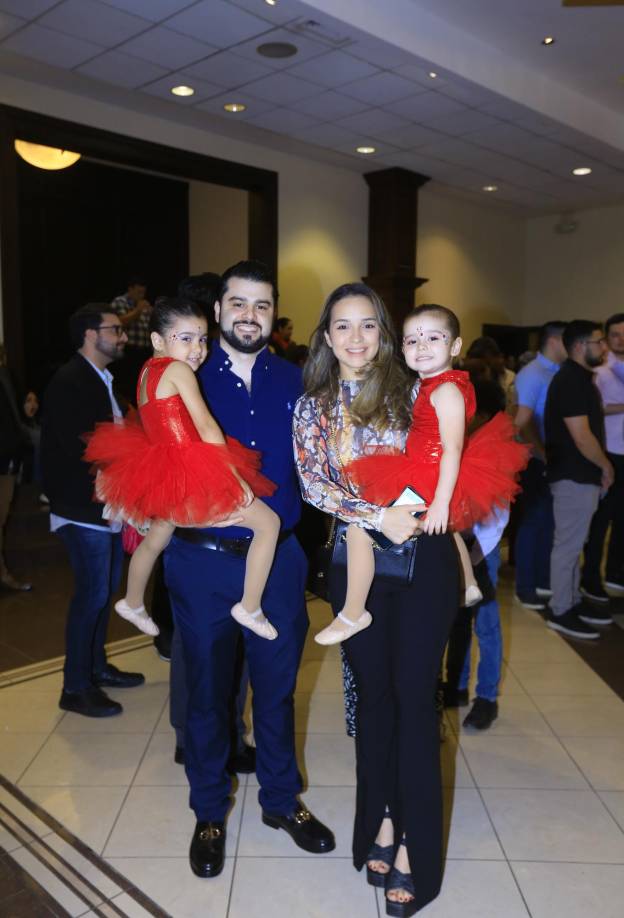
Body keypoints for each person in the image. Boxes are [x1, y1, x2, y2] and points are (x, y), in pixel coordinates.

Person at [165, 261, 334, 880]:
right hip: (201, 560)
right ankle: (209, 812)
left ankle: (281, 803)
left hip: (280, 558)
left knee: (278, 689)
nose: (249, 316)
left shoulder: (297, 379)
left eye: (262, 306)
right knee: (208, 696)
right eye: (238, 304)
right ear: (217, 310)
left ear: (273, 313)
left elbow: (321, 463)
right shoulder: (182, 377)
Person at [294, 283, 459, 917]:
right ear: (326, 335)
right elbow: (314, 484)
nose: (356, 338)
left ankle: (418, 845)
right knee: (374, 699)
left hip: (425, 559)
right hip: (353, 562)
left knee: (417, 701)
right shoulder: (312, 406)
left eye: (369, 326)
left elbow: (451, 452)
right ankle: (382, 821)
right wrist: (374, 513)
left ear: (385, 334)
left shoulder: (414, 387)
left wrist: (407, 513)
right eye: (343, 326)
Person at [322, 305, 527, 647]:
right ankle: (469, 582)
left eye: (434, 338)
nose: (422, 346)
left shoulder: (444, 390)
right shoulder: (436, 383)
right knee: (445, 532)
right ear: (402, 348)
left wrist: (442, 502)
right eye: (412, 340)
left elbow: (452, 448)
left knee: (361, 527)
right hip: (425, 467)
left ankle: (354, 611)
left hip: (429, 473)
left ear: (456, 346)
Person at [84, 297, 280, 641]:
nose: (197, 349)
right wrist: (231, 475)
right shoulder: (178, 370)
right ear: (159, 340)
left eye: (203, 339)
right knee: (269, 524)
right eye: (185, 338)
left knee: (156, 538)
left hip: (165, 466)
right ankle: (249, 606)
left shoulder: (147, 370)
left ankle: (132, 601)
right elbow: (205, 426)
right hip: (190, 465)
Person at [40, 305, 144, 718]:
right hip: (82, 507)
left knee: (103, 591)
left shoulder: (99, 378)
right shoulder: (69, 381)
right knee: (92, 594)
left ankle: (96, 667)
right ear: (89, 334)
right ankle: (76, 685)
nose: (121, 337)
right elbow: (78, 447)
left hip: (105, 506)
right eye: (114, 330)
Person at [544, 320, 614, 639]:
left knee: (576, 543)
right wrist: (606, 466)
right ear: (578, 347)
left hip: (579, 474)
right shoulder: (571, 381)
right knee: (569, 545)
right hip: (574, 474)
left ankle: (571, 599)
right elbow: (581, 436)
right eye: (598, 342)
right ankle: (561, 609)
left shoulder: (580, 379)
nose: (604, 348)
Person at [513, 321, 567, 610]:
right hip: (535, 458)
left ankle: (544, 580)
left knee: (549, 521)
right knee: (533, 521)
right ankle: (526, 586)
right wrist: (543, 454)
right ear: (555, 341)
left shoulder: (555, 373)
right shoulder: (533, 374)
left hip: (551, 457)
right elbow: (523, 421)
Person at [581, 313, 624, 598]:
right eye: (615, 335)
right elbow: (594, 409)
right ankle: (590, 577)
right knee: (600, 520)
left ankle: (616, 575)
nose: (621, 340)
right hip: (608, 451)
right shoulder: (600, 369)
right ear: (606, 339)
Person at [111, 276, 152, 403]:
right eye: (139, 292)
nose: (141, 295)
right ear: (130, 289)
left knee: (140, 385)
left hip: (143, 352)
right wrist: (138, 310)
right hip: (127, 351)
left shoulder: (143, 305)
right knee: (125, 385)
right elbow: (118, 322)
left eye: (143, 293)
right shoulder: (119, 302)